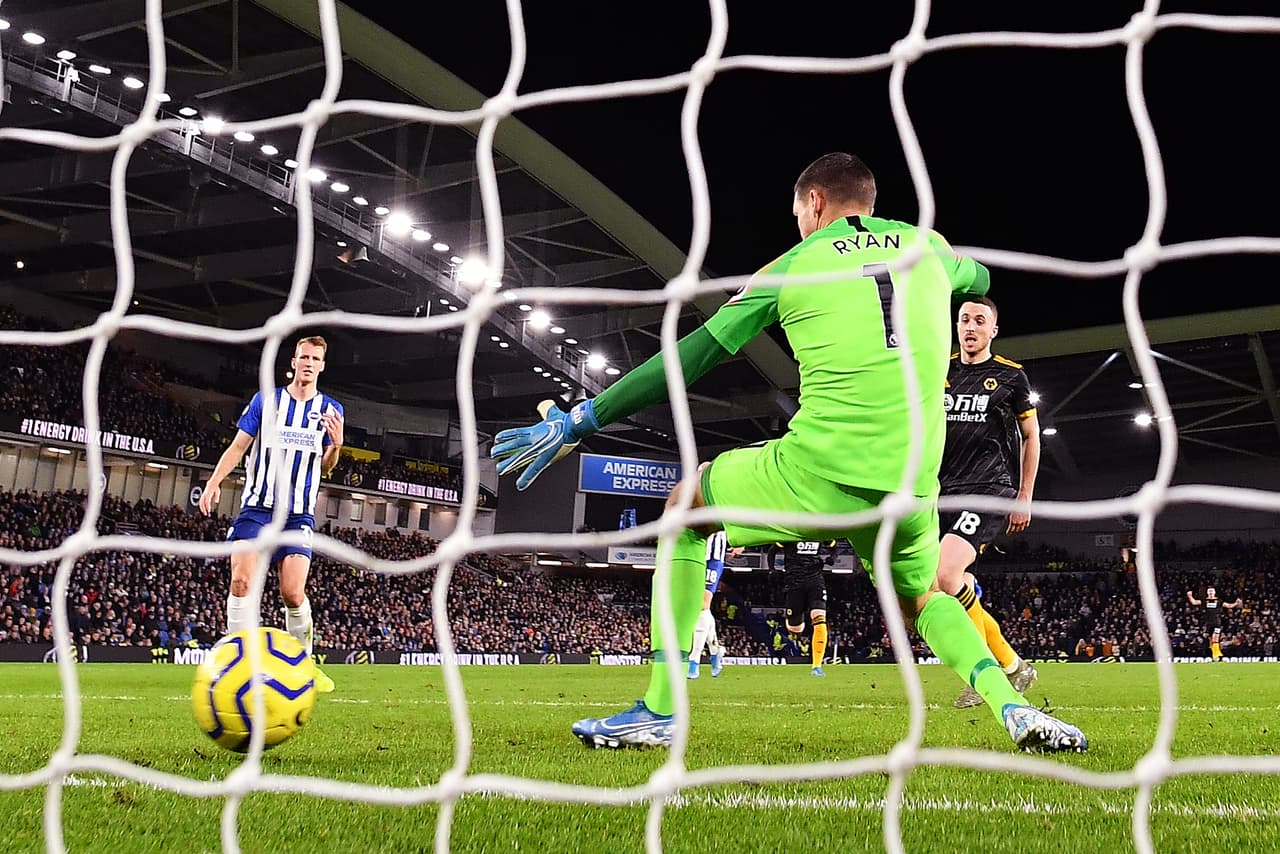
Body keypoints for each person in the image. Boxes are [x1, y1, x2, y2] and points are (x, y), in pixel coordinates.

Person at [493, 153, 1087, 753]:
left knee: (686, 505)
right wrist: (954, 266)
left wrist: (582, 420)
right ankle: (1011, 707)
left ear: (816, 205)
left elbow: (691, 357)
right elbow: (979, 278)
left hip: (823, 469)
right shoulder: (927, 247)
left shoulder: (791, 265)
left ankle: (660, 709)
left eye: (798, 214)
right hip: (912, 483)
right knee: (926, 597)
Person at [199, 336, 343, 693]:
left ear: (323, 366)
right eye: (304, 357)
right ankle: (238, 662)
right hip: (257, 509)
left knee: (293, 594)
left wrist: (337, 446)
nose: (309, 363)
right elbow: (238, 446)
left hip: (297, 516)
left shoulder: (330, 409)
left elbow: (327, 468)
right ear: (293, 361)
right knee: (241, 582)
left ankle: (306, 665)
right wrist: (215, 481)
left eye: (315, 358)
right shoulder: (266, 401)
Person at [937, 297, 1041, 708]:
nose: (971, 327)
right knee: (947, 586)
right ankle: (1013, 667)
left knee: (947, 574)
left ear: (993, 331)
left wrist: (1025, 496)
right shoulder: (938, 369)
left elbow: (1031, 437)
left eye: (980, 321)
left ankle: (986, 673)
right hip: (941, 490)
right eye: (964, 319)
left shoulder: (1011, 377)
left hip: (990, 488)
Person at [767, 539, 838, 676]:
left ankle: (817, 666)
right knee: (795, 628)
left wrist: (832, 558)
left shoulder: (818, 532)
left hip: (816, 581)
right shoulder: (790, 533)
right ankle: (802, 615)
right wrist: (772, 570)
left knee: (819, 618)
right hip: (794, 584)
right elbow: (772, 551)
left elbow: (834, 547)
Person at [688, 532, 740, 679]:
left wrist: (741, 542)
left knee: (702, 605)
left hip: (713, 557)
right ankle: (715, 650)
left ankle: (694, 660)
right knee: (700, 608)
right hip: (692, 555)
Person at [1186, 586, 1242, 661]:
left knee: (1215, 637)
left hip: (1216, 623)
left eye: (1212, 591)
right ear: (1207, 593)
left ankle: (1216, 655)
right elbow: (1194, 602)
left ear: (1214, 592)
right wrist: (1190, 596)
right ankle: (1216, 654)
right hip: (1208, 623)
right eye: (1209, 591)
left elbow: (1228, 605)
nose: (1211, 592)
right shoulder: (1204, 601)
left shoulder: (1219, 601)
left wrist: (1236, 603)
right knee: (1211, 641)